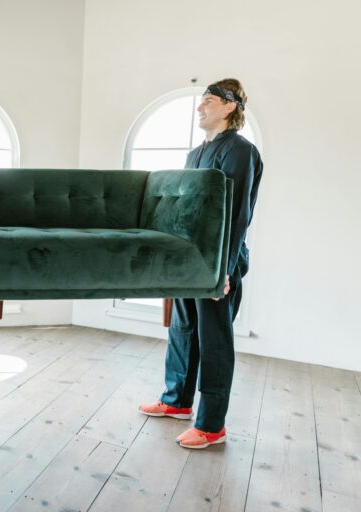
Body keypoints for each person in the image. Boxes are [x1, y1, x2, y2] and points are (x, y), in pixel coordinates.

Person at [139, 78, 264, 449]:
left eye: (208, 100)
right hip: (189, 259)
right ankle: (177, 401)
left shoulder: (241, 152)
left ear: (230, 106)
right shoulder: (194, 155)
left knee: (215, 341)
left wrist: (223, 269)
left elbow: (238, 214)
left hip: (218, 263)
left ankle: (211, 425)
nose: (200, 107)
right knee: (182, 329)